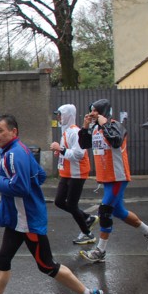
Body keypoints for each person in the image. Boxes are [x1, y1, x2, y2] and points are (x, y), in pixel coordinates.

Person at [0, 114, 103, 294]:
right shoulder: (19, 150)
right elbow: (39, 176)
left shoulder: (14, 154)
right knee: (3, 258)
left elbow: (21, 187)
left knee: (47, 265)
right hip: (19, 219)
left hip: (27, 220)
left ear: (13, 132)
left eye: (0, 130)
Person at [78, 99, 148, 262]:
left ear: (103, 112)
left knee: (105, 211)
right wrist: (85, 126)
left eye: (95, 111)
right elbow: (83, 144)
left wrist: (105, 124)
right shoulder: (95, 129)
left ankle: (100, 251)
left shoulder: (116, 126)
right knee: (119, 211)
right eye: (91, 111)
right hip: (106, 178)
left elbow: (115, 141)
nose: (92, 113)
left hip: (118, 177)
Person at [49, 105, 98, 245]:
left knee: (71, 204)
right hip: (67, 173)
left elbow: (78, 154)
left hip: (77, 173)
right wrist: (60, 152)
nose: (58, 117)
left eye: (60, 114)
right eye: (57, 115)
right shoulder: (65, 131)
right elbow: (67, 152)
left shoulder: (75, 132)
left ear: (67, 115)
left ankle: (88, 234)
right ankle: (88, 218)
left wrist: (61, 149)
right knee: (59, 201)